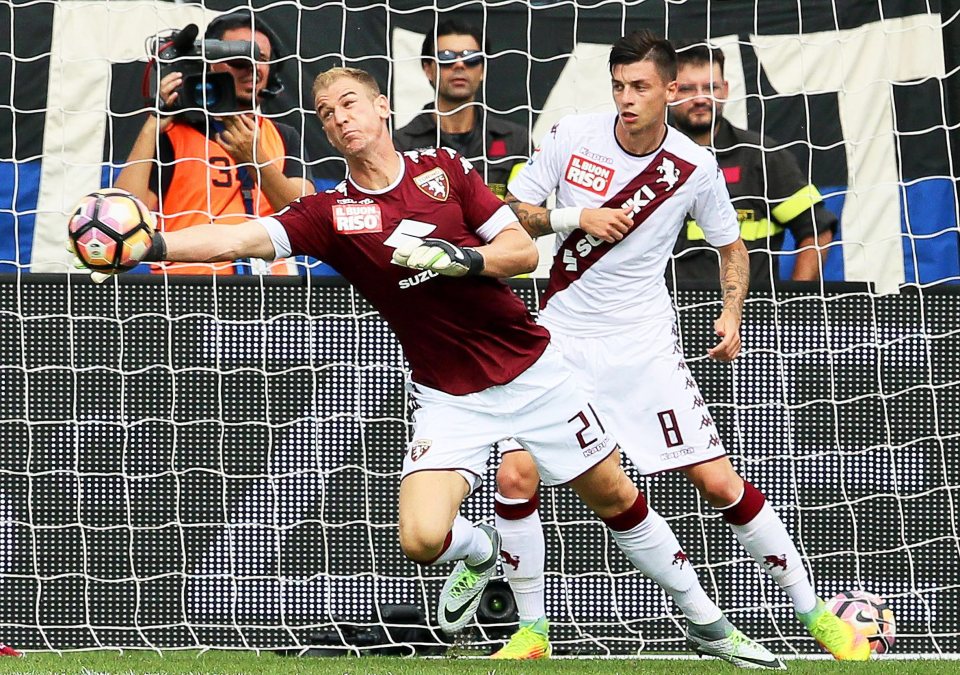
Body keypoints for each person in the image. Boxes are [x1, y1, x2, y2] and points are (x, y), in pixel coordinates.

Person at [80, 65, 779, 667]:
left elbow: (521, 254)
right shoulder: (330, 213)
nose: (339, 118)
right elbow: (244, 233)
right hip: (449, 396)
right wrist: (150, 243)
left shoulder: (446, 175)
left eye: (350, 103)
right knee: (420, 538)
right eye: (326, 113)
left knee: (617, 499)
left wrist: (458, 258)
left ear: (383, 107)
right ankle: (478, 556)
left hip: (534, 372)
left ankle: (706, 621)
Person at [490, 31, 869, 663]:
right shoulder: (569, 137)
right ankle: (532, 633)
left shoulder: (693, 166)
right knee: (514, 471)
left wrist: (731, 310)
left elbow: (732, 247)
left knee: (717, 482)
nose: (627, 99)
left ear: (669, 91)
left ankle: (814, 615)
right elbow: (516, 211)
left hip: (642, 346)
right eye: (618, 86)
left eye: (640, 87)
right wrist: (572, 218)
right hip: (560, 336)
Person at [115, 10, 315, 275]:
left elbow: (307, 219)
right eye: (238, 60)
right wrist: (153, 122)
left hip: (269, 296)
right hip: (185, 296)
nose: (252, 69)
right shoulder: (173, 133)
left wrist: (256, 161)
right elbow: (121, 218)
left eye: (261, 59)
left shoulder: (283, 135)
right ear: (210, 64)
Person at [668, 42, 837, 286]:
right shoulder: (646, 157)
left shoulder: (762, 156)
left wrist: (794, 305)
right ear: (669, 91)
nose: (701, 98)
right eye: (687, 89)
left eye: (710, 87)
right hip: (662, 318)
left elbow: (817, 230)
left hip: (750, 318)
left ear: (725, 89)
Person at [393, 18, 529, 198]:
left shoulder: (516, 140)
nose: (459, 64)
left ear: (482, 70)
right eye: (446, 57)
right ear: (428, 69)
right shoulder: (401, 144)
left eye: (471, 58)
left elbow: (527, 207)